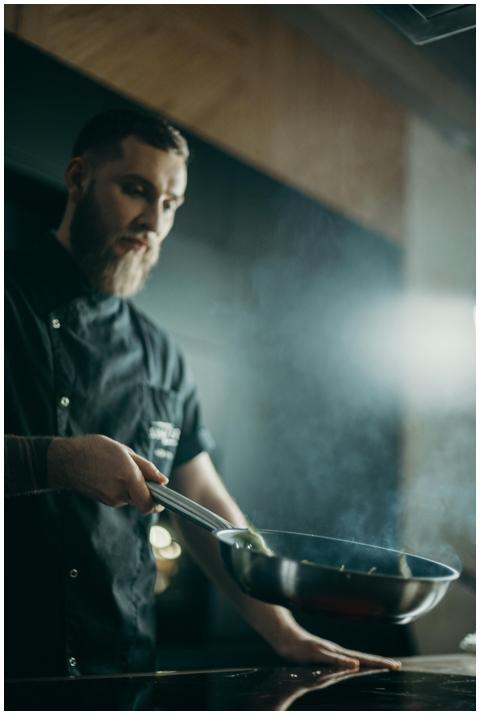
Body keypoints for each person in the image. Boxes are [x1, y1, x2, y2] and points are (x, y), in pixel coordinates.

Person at [5, 109, 401, 678]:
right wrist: (57, 460)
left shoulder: (160, 353)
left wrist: (283, 631)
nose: (152, 222)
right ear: (77, 179)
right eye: (136, 190)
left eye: (169, 205)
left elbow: (205, 508)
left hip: (125, 671)